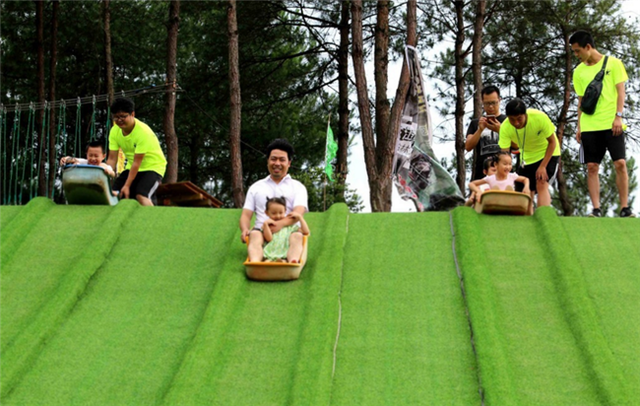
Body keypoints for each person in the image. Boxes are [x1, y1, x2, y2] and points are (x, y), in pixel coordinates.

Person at [570, 30, 635, 217]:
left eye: (577, 51)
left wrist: (618, 116)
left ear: (588, 47)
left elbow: (621, 92)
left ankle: (625, 208)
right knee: (592, 166)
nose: (576, 55)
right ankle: (596, 209)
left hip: (612, 123)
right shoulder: (579, 71)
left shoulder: (614, 64)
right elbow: (580, 101)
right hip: (590, 125)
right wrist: (579, 126)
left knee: (621, 163)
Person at [239, 139, 308, 263]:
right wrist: (245, 229)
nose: (277, 163)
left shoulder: (298, 187)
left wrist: (279, 225)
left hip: (289, 231)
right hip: (262, 232)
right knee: (254, 235)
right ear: (267, 161)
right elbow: (246, 214)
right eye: (273, 159)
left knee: (297, 236)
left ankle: (292, 260)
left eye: (282, 160)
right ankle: (255, 262)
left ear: (289, 163)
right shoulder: (256, 187)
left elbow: (298, 213)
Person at [499, 99, 560, 210]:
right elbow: (504, 154)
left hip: (548, 152)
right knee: (524, 188)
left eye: (519, 119)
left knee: (541, 181)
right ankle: (526, 217)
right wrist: (506, 172)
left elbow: (552, 142)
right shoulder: (505, 127)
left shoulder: (539, 118)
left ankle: (544, 215)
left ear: (525, 114)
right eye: (512, 120)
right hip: (527, 157)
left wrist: (543, 166)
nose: (516, 123)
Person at [105, 98, 167, 206]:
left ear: (132, 114)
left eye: (123, 116)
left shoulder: (143, 132)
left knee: (141, 195)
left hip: (153, 167)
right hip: (131, 167)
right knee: (114, 194)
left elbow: (137, 162)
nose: (119, 120)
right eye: (116, 117)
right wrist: (104, 175)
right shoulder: (114, 131)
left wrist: (127, 185)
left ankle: (155, 221)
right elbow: (111, 159)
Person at [465, 86, 508, 180]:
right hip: (481, 174)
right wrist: (480, 130)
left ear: (499, 100)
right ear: (482, 103)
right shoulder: (476, 123)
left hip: (504, 173)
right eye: (487, 103)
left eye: (494, 103)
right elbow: (468, 146)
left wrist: (500, 130)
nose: (491, 106)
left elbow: (516, 145)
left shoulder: (507, 121)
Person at [262, 196, 310, 263]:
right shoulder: (269, 225)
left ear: (285, 211)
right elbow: (268, 238)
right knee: (267, 261)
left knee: (284, 260)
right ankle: (269, 262)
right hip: (271, 251)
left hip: (285, 251)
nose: (278, 216)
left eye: (281, 212)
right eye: (273, 213)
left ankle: (288, 261)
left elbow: (306, 232)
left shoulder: (290, 226)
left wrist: (300, 218)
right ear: (267, 213)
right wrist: (265, 225)